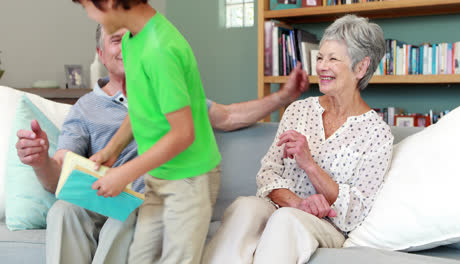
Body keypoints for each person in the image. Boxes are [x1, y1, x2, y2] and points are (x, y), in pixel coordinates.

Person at [72, 1, 310, 264]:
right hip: (160, 175)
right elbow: (142, 108)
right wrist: (111, 150)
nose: (90, 15)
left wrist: (123, 173)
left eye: (88, 6)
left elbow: (183, 133)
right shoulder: (131, 41)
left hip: (189, 178)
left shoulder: (161, 50)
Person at [202, 14, 394, 264]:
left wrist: (310, 165)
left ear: (361, 67)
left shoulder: (377, 134)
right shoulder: (298, 111)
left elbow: (355, 212)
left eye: (333, 59)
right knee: (244, 207)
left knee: (286, 220)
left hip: (328, 225)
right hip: (284, 207)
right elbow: (268, 173)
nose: (322, 66)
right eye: (320, 57)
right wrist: (298, 203)